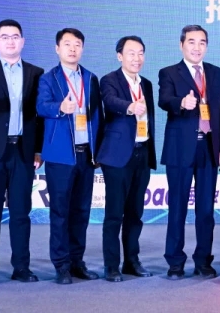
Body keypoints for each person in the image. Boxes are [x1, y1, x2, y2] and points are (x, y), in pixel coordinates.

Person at [0, 20, 44, 285]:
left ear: (22, 41)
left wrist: (38, 150)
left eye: (15, 36)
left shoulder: (36, 73)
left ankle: (21, 267)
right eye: (5, 37)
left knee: (21, 213)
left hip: (23, 152)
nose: (10, 41)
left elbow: (39, 116)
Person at [158, 25, 220, 280]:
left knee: (206, 209)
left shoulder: (216, 73)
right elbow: (164, 100)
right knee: (177, 207)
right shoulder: (169, 72)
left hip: (208, 147)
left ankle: (203, 261)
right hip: (180, 149)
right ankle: (175, 262)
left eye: (202, 42)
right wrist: (181, 102)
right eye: (191, 42)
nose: (197, 47)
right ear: (181, 45)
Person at [36, 28, 103, 285]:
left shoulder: (90, 78)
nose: (72, 49)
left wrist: (98, 151)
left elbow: (98, 116)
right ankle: (61, 265)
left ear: (82, 48)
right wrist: (60, 107)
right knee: (60, 212)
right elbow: (40, 106)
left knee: (81, 211)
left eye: (77, 44)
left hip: (86, 154)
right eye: (67, 44)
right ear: (57, 49)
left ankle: (77, 262)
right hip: (61, 156)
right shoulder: (48, 79)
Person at [98, 36, 156, 282]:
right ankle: (111, 266)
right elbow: (110, 101)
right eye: (131, 53)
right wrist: (130, 107)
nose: (137, 58)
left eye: (141, 53)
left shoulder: (147, 84)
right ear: (119, 56)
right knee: (114, 214)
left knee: (135, 213)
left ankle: (132, 261)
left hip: (142, 153)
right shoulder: (109, 80)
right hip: (117, 156)